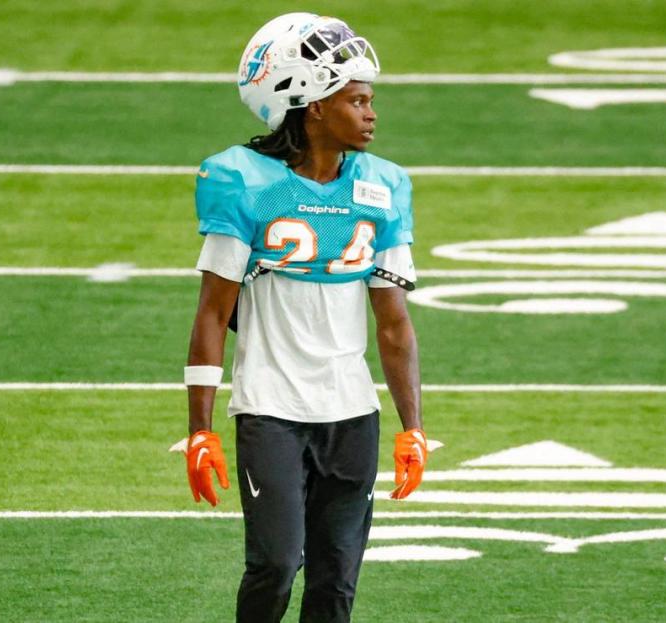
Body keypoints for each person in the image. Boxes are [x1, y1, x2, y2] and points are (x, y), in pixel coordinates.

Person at [170, 13, 432, 623]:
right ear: (312, 105)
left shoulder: (384, 187)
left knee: (337, 582)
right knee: (275, 565)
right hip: (271, 410)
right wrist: (200, 428)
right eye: (357, 99)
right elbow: (213, 311)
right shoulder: (245, 182)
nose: (371, 113)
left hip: (351, 412)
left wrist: (412, 425)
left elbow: (393, 324)